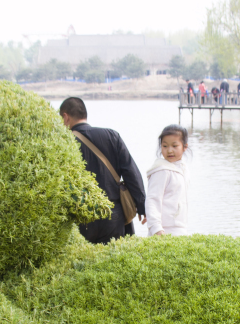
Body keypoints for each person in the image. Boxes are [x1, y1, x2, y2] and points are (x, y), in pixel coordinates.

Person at [59, 97, 146, 244]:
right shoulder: (111, 135)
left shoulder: (64, 142)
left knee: (85, 263)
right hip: (113, 214)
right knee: (112, 261)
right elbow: (131, 172)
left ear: (65, 117)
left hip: (82, 216)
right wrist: (142, 206)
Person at [145, 125, 190, 237]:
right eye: (165, 146)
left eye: (174, 146)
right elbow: (152, 199)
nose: (170, 150)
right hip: (162, 231)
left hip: (180, 229)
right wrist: (156, 228)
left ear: (185, 147)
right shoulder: (162, 170)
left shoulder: (183, 168)